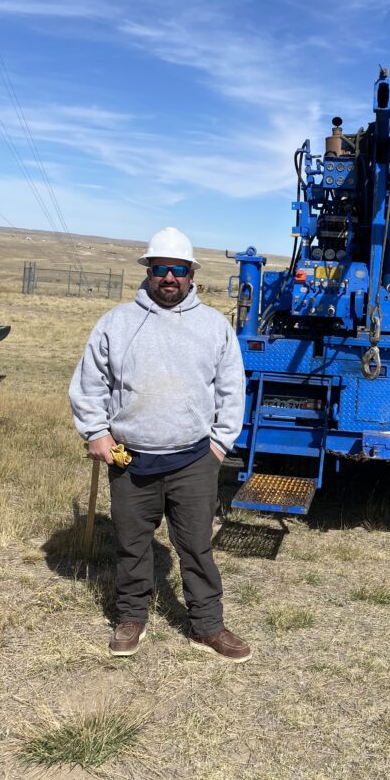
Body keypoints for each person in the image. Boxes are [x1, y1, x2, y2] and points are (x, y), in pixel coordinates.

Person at [69, 227, 250, 661]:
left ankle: (208, 624)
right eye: (161, 269)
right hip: (130, 459)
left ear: (192, 275)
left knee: (196, 546)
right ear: (149, 271)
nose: (169, 277)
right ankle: (131, 617)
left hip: (193, 459)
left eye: (178, 270)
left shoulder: (213, 326)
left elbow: (231, 389)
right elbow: (90, 382)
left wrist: (219, 446)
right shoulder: (117, 322)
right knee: (132, 544)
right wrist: (96, 432)